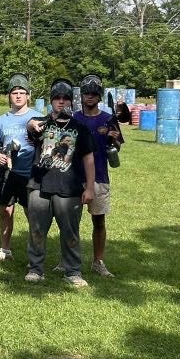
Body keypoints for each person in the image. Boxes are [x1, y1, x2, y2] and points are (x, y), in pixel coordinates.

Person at [23, 79, 96, 288]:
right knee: (36, 229)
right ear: (51, 101)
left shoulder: (80, 129)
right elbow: (30, 126)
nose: (61, 102)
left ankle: (72, 271)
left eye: (65, 98)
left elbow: (88, 158)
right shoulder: (41, 124)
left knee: (70, 232)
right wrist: (31, 124)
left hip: (69, 188)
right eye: (57, 98)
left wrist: (90, 187)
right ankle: (35, 269)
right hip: (39, 186)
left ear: (71, 102)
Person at [73, 74, 122, 278]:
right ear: (82, 95)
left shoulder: (108, 120)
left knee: (99, 221)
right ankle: (67, 259)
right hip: (74, 177)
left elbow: (116, 149)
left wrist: (114, 139)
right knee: (70, 222)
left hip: (100, 176)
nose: (90, 97)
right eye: (86, 93)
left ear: (100, 96)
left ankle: (98, 261)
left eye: (94, 93)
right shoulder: (74, 118)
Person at [0, 74, 42, 263]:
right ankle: (5, 250)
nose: (18, 96)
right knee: (5, 211)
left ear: (28, 95)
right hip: (7, 172)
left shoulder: (37, 117)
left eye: (22, 93)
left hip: (30, 173)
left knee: (33, 214)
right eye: (14, 93)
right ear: (9, 96)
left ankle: (35, 254)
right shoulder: (1, 120)